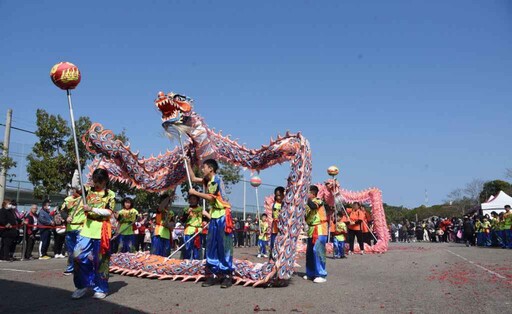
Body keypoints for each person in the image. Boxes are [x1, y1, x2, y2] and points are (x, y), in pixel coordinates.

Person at [188, 159, 234, 288]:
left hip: (223, 216)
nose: (202, 169)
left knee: (223, 246)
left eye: (204, 167)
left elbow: (210, 197)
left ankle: (227, 275)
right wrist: (188, 163)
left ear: (211, 169)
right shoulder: (207, 181)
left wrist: (195, 193)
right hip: (214, 216)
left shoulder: (215, 180)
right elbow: (192, 178)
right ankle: (213, 274)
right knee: (211, 245)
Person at [72, 168, 116, 300]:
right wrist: (76, 171)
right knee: (78, 255)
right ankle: (82, 285)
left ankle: (101, 288)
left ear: (105, 181)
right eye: (95, 181)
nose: (97, 184)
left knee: (101, 261)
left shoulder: (110, 194)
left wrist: (92, 209)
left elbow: (109, 212)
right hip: (87, 229)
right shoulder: (88, 190)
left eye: (100, 181)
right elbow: (75, 187)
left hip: (102, 230)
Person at [303, 185, 328, 283]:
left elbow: (313, 206)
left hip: (320, 228)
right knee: (309, 252)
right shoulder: (306, 204)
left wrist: (306, 197)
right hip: (311, 229)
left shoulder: (318, 200)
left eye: (307, 192)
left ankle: (321, 274)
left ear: (313, 193)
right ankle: (310, 273)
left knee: (318, 251)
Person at [61, 188, 85, 275]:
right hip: (70, 228)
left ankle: (81, 268)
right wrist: (66, 217)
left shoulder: (85, 199)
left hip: (81, 227)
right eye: (72, 189)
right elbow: (63, 211)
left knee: (78, 249)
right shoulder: (68, 200)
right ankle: (70, 267)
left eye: (75, 189)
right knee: (70, 250)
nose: (73, 191)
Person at [183, 194, 209, 260]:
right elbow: (183, 220)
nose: (192, 200)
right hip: (188, 231)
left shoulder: (201, 210)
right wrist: (186, 214)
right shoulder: (186, 209)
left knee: (197, 249)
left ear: (197, 200)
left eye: (194, 199)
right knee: (187, 248)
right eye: (190, 199)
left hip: (198, 231)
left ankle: (196, 263)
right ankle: (186, 262)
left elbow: (207, 218)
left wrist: (205, 220)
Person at [270, 186, 284, 258]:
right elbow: (273, 215)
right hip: (275, 228)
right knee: (273, 243)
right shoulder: (274, 204)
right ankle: (272, 258)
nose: (278, 197)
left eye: (280, 195)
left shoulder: (285, 205)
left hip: (282, 228)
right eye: (276, 195)